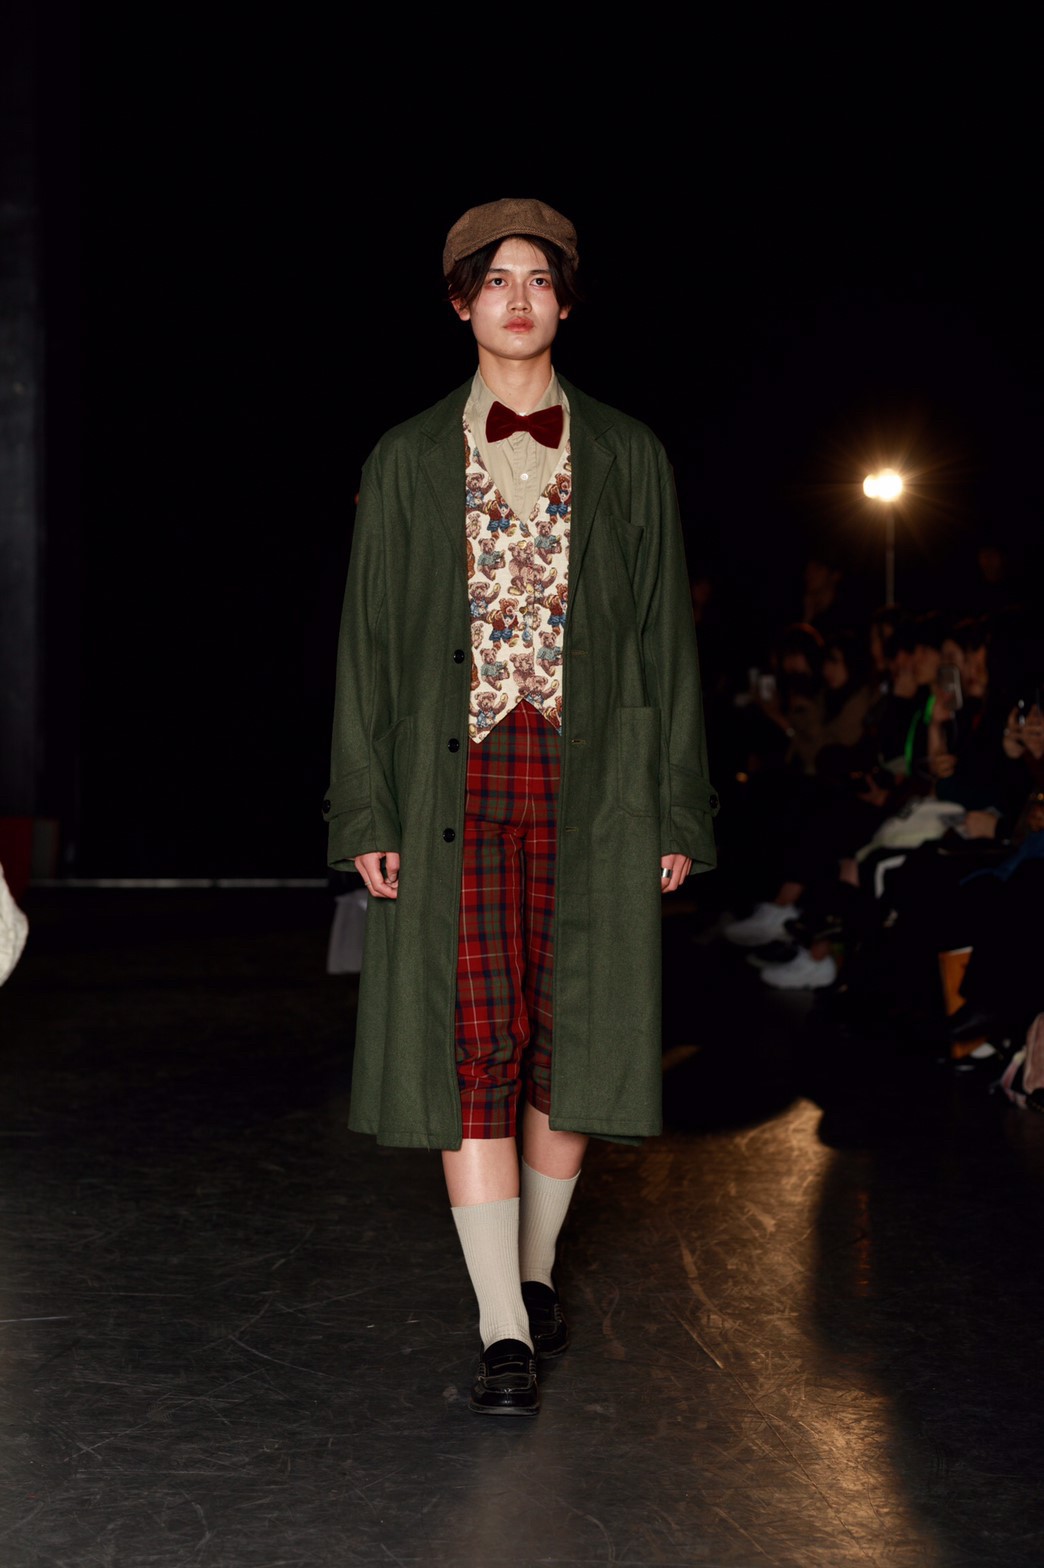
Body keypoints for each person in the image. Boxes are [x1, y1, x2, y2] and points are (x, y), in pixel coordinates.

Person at [323, 198, 718, 1417]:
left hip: (597, 783)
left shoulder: (631, 454)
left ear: (565, 302)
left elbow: (666, 641)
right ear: (461, 303)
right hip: (452, 780)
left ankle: (534, 1268)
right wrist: (366, 807)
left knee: (575, 1036)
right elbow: (366, 647)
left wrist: (676, 810)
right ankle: (502, 1322)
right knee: (472, 1041)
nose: (517, 297)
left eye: (538, 277)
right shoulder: (404, 458)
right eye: (494, 278)